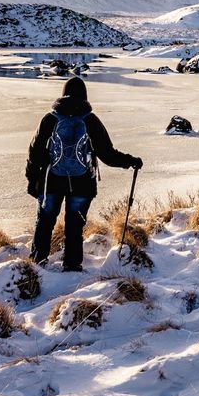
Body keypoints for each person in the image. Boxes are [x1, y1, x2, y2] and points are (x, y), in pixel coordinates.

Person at [25, 76, 142, 271]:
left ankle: (37, 264)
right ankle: (72, 266)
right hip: (82, 184)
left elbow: (35, 152)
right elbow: (107, 153)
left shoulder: (50, 119)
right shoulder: (90, 120)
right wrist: (130, 161)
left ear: (63, 94)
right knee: (74, 226)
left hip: (51, 181)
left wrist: (31, 180)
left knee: (45, 222)